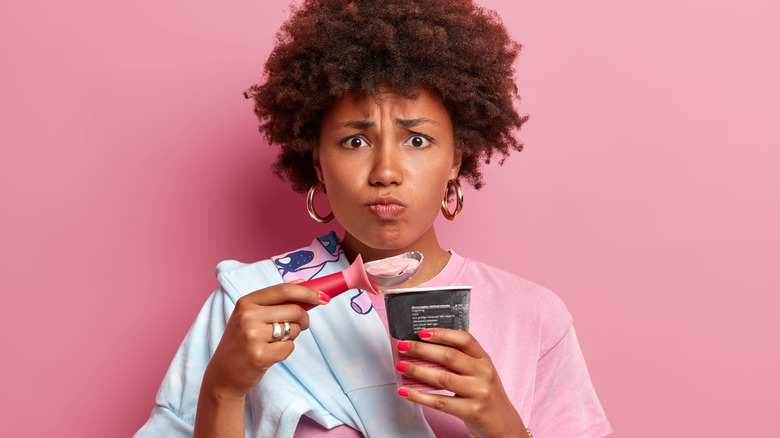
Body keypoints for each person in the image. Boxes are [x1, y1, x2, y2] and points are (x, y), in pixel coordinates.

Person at [136, 0, 612, 437]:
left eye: (417, 140)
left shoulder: (532, 316)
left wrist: (501, 424)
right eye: (355, 141)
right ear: (318, 162)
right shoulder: (251, 306)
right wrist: (222, 388)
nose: (385, 172)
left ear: (455, 161)